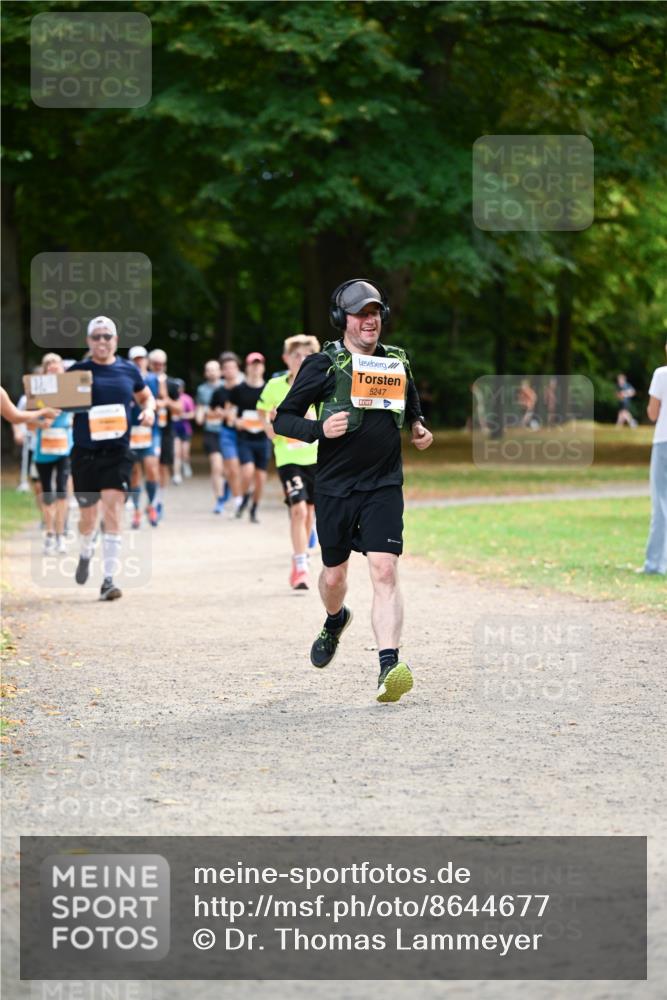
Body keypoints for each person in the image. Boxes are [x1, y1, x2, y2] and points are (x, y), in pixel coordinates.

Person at [273, 279, 433, 703]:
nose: (370, 320)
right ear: (341, 318)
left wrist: (417, 424)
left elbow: (409, 397)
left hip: (383, 483)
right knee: (334, 576)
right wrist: (318, 429)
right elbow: (283, 419)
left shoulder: (395, 361)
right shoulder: (322, 365)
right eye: (361, 313)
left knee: (384, 570)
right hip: (336, 487)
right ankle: (334, 618)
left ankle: (388, 666)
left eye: (376, 312)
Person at [68, 317, 155, 601]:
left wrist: (150, 410)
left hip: (117, 452)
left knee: (113, 510)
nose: (102, 341)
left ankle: (108, 579)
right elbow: (53, 404)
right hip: (85, 453)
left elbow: (146, 397)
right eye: (96, 337)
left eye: (107, 336)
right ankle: (85, 550)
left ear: (115, 340)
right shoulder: (78, 371)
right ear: (88, 341)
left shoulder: (128, 370)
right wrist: (39, 417)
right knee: (88, 518)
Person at [258, 335, 320, 589]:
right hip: (288, 458)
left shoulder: (320, 384)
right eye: (296, 355)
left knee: (310, 514)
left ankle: (302, 552)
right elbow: (262, 412)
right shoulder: (275, 386)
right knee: (298, 509)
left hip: (316, 457)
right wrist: (268, 428)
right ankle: (300, 566)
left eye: (307, 355)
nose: (301, 359)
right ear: (287, 358)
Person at [32, 354, 73, 555]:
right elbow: (27, 419)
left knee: (62, 490)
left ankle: (61, 535)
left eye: (55, 364)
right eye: (48, 365)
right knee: (46, 491)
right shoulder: (37, 392)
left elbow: (82, 410)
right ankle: (49, 533)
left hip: (64, 447)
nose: (52, 367)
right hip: (44, 448)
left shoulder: (70, 389)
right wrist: (40, 422)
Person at [226, 352, 271, 523]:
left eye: (259, 364)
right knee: (247, 472)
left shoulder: (269, 389)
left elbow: (275, 411)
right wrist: (235, 420)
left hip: (262, 439)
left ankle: (253, 509)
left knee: (260, 478)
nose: (256, 367)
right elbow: (229, 412)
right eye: (253, 364)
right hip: (245, 438)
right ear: (247, 367)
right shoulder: (238, 390)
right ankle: (244, 498)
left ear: (263, 367)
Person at [127, 346, 161, 528]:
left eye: (142, 358)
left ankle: (151, 505)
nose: (139, 362)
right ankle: (136, 511)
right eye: (135, 359)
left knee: (151, 468)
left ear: (147, 360)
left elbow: (161, 400)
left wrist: (150, 406)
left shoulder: (154, 379)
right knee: (134, 472)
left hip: (150, 430)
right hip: (131, 431)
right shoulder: (125, 379)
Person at [210, 352, 246, 517]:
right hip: (227, 432)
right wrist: (221, 413)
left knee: (243, 470)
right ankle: (237, 500)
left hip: (245, 433)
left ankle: (236, 494)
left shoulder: (246, 387)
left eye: (233, 367)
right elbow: (212, 411)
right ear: (222, 371)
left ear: (238, 369)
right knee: (231, 467)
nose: (230, 370)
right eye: (226, 368)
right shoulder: (219, 392)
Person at [642, 342, 667, 575]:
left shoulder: (661, 374)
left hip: (663, 442)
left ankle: (654, 564)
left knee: (661, 503)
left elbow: (652, 413)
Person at [148, 348, 182, 520]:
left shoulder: (172, 384)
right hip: (147, 430)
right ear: (149, 364)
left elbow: (180, 408)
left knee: (163, 466)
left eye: (161, 364)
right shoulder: (144, 381)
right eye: (155, 364)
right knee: (150, 466)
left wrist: (166, 400)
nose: (158, 367)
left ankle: (159, 500)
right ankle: (150, 500)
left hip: (166, 430)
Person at [195, 359, 226, 513]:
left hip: (227, 432)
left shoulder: (228, 387)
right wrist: (200, 415)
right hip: (211, 432)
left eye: (214, 369)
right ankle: (219, 499)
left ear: (220, 371)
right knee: (216, 466)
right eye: (208, 370)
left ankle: (226, 488)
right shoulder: (202, 390)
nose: (211, 372)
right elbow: (200, 409)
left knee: (228, 468)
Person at [172, 380, 195, 483]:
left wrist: (183, 416)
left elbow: (192, 414)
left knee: (184, 452)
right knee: (176, 453)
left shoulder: (187, 399)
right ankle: (177, 474)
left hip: (185, 428)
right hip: (174, 428)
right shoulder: (170, 398)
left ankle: (186, 463)